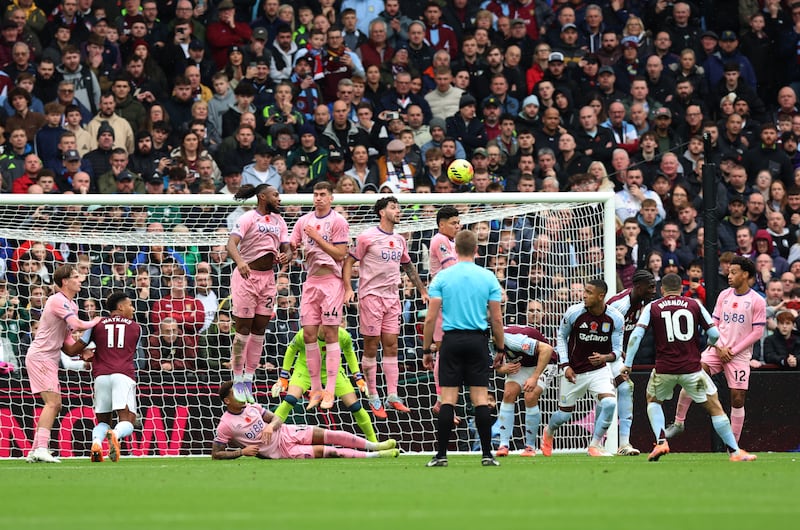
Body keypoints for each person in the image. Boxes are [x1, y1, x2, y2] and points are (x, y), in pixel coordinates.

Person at [622, 273, 757, 462]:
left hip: (664, 369)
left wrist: (628, 364)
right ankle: (735, 452)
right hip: (691, 368)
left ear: (662, 290)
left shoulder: (652, 307)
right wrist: (710, 344)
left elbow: (636, 336)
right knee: (715, 408)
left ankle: (661, 442)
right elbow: (714, 334)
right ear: (681, 289)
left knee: (653, 400)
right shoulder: (694, 304)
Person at [422, 230, 505, 467]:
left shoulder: (443, 278)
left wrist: (427, 350)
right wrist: (500, 348)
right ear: (477, 250)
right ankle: (487, 455)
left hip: (452, 341)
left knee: (448, 399)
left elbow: (430, 318)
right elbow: (497, 319)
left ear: (455, 249)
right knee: (480, 398)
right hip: (478, 341)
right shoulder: (488, 277)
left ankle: (440, 456)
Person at [343, 196, 428, 417]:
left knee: (391, 345)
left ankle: (392, 395)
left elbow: (408, 265)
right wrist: (348, 288)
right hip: (371, 297)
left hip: (392, 298)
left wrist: (422, 290)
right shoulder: (366, 237)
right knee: (371, 346)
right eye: (393, 207)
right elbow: (349, 261)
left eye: (399, 207)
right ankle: (373, 396)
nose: (398, 211)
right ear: (382, 212)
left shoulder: (399, 240)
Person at [666, 256, 765, 443]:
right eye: (729, 271)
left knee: (737, 398)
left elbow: (757, 332)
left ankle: (733, 446)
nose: (729, 275)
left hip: (739, 355)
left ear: (745, 275)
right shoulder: (723, 296)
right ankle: (678, 423)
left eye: (734, 272)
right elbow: (714, 324)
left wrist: (733, 351)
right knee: (693, 374)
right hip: (717, 349)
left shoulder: (757, 300)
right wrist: (719, 347)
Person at [24, 264, 102, 463]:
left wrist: (82, 350)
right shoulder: (56, 300)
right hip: (41, 356)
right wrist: (96, 322)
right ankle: (42, 447)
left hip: (49, 358)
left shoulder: (72, 305)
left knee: (55, 404)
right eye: (76, 276)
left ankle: (35, 451)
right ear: (65, 282)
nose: (80, 279)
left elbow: (67, 345)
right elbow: (77, 325)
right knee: (53, 403)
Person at [211, 381, 399, 460]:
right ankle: (377, 456)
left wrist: (272, 426)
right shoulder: (226, 424)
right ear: (227, 400)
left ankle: (376, 446)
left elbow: (276, 418)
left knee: (330, 434)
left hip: (287, 432)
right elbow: (216, 454)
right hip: (282, 451)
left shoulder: (252, 407)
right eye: (236, 394)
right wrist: (242, 451)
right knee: (329, 452)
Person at [541, 279, 624, 458]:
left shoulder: (615, 318)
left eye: (588, 292)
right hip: (574, 372)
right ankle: (548, 431)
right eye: (584, 291)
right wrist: (565, 365)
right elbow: (561, 337)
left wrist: (605, 357)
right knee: (563, 416)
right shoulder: (574, 312)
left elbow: (618, 350)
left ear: (600, 296)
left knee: (610, 403)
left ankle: (594, 445)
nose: (583, 295)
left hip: (599, 371)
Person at [225, 184, 290, 403]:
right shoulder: (248, 218)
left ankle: (249, 379)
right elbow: (231, 244)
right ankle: (237, 379)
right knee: (243, 330)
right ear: (262, 197)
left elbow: (288, 248)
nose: (279, 198)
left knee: (260, 329)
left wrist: (286, 256)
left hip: (268, 279)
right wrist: (241, 262)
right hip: (246, 277)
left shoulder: (280, 222)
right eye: (275, 195)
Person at [289, 181, 350, 410]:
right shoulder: (303, 221)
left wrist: (317, 238)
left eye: (323, 194)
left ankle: (330, 391)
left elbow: (340, 253)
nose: (318, 198)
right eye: (315, 194)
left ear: (331, 198)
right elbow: (292, 244)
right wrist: (287, 252)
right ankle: (315, 389)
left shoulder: (338, 221)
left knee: (331, 334)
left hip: (332, 283)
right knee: (308, 335)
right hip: (311, 282)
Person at [63, 292, 140, 462]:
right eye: (130, 305)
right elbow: (124, 351)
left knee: (103, 420)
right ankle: (116, 434)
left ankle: (97, 443)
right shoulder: (136, 327)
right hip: (123, 375)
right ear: (120, 307)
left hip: (101, 377)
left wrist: (63, 339)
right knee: (128, 420)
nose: (132, 308)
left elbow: (72, 351)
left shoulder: (96, 324)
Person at [270, 327, 377, 442]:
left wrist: (358, 377)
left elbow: (349, 352)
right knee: (290, 399)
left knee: (355, 406)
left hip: (333, 371)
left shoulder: (343, 335)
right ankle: (270, 434)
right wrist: (283, 377)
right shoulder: (305, 334)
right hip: (305, 369)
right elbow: (291, 348)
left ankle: (375, 443)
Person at [606, 270, 658, 456]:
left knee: (625, 388)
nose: (654, 290)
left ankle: (624, 444)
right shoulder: (619, 306)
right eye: (650, 286)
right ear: (638, 286)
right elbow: (603, 333)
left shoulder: (641, 303)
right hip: (597, 351)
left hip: (613, 354)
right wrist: (619, 354)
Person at [494, 324, 555, 457]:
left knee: (530, 395)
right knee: (509, 393)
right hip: (521, 363)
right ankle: (503, 445)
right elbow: (495, 365)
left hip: (545, 361)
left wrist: (534, 377)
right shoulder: (485, 341)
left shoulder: (512, 339)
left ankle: (530, 447)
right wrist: (501, 369)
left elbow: (547, 349)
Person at [427, 205, 461, 422]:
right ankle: (441, 399)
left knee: (451, 353)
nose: (457, 226)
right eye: (453, 223)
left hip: (453, 299)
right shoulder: (439, 240)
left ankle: (444, 400)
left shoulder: (453, 242)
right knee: (443, 350)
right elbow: (451, 269)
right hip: (443, 299)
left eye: (458, 223)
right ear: (441, 224)